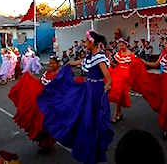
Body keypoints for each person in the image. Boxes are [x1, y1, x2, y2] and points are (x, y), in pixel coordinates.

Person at [37, 30, 114, 164]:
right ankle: (90, 144)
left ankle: (93, 146)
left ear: (92, 42)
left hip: (95, 90)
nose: (84, 43)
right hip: (88, 88)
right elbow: (80, 62)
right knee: (85, 117)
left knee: (92, 118)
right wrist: (69, 64)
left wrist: (107, 85)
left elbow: (108, 77)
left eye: (85, 41)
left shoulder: (99, 57)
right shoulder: (91, 55)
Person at [129, 35, 167, 139]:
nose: (164, 46)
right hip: (164, 81)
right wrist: (143, 62)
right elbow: (156, 65)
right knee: (165, 103)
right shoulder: (164, 56)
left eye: (165, 44)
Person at [8, 55, 61, 154]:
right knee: (40, 123)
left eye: (53, 63)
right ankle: (44, 144)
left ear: (58, 64)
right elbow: (41, 83)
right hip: (43, 103)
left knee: (47, 125)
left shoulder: (61, 75)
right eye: (50, 63)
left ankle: (47, 145)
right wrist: (30, 77)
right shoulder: (46, 73)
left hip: (53, 104)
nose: (51, 65)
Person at [108, 38, 135, 123]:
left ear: (126, 45)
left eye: (122, 45)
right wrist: (110, 61)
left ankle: (117, 114)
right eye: (119, 46)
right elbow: (116, 66)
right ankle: (117, 114)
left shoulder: (131, 55)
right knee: (117, 94)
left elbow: (133, 67)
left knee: (120, 95)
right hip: (119, 75)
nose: (120, 47)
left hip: (126, 77)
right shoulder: (118, 54)